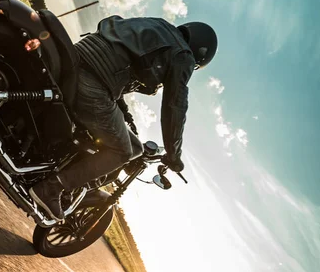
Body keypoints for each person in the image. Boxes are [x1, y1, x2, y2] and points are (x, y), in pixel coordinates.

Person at [30, 16, 218, 220]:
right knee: (121, 152)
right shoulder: (183, 56)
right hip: (92, 84)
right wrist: (174, 155)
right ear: (199, 55)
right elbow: (175, 106)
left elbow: (116, 63)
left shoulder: (157, 25)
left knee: (135, 148)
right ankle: (52, 187)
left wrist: (126, 114)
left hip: (76, 57)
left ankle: (75, 178)